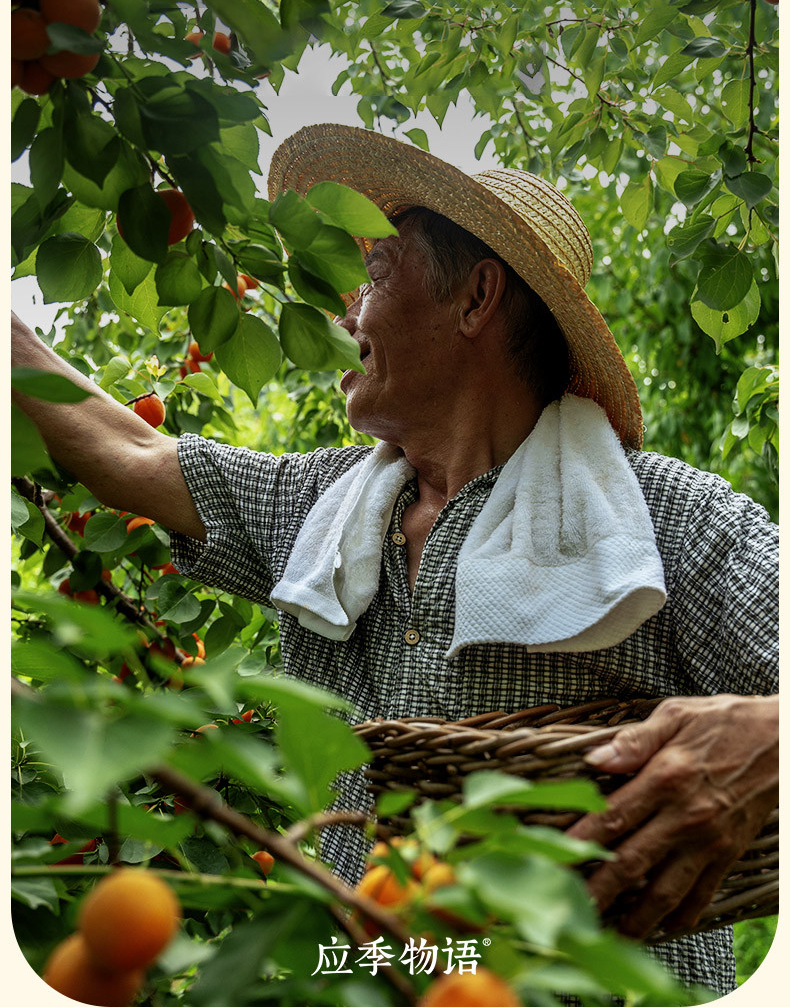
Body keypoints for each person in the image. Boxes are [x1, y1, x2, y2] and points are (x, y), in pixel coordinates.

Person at [11, 123, 778, 1000]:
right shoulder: (326, 508)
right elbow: (133, 454)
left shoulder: (663, 520)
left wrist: (765, 740)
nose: (346, 309)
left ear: (477, 297)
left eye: (376, 272)